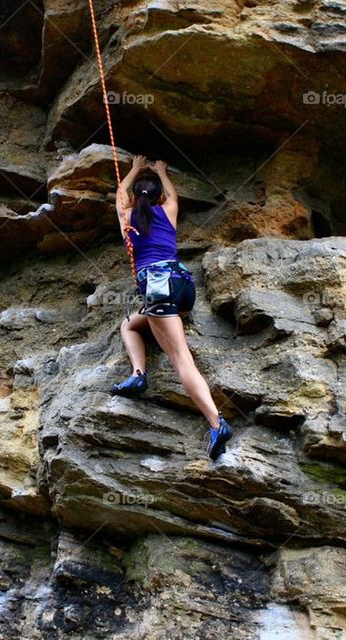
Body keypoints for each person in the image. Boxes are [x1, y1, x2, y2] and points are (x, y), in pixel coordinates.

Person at [108, 154, 233, 460]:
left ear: (136, 198)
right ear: (160, 197)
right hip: (182, 286)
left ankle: (217, 423)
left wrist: (134, 169)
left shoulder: (128, 218)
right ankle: (138, 374)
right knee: (131, 323)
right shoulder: (168, 210)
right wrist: (162, 172)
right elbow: (173, 195)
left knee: (181, 359)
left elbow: (119, 195)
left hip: (157, 286)